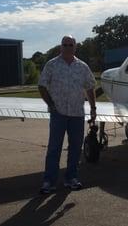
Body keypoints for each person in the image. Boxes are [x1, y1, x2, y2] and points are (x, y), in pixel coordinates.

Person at [38, 35, 96, 194]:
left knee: (76, 148)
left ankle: (71, 178)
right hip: (59, 113)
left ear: (75, 47)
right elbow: (42, 85)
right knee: (54, 148)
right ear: (60, 47)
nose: (68, 47)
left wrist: (93, 108)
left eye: (71, 45)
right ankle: (49, 181)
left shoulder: (82, 66)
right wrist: (51, 104)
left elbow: (90, 87)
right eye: (65, 45)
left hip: (77, 113)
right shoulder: (52, 65)